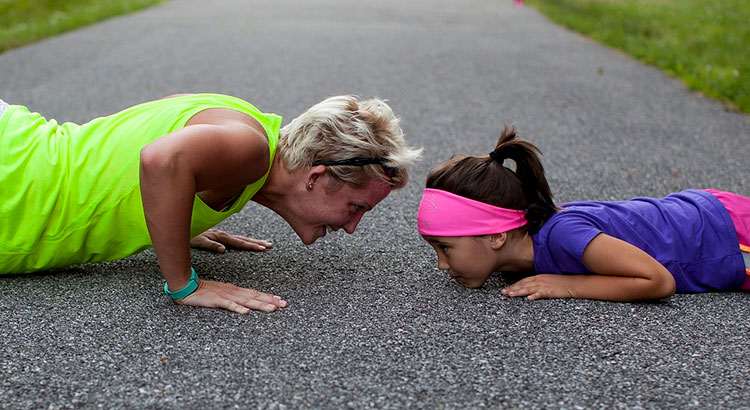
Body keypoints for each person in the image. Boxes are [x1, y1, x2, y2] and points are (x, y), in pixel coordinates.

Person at [0, 93, 421, 314]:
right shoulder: (250, 148)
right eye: (356, 207)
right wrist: (185, 284)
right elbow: (160, 159)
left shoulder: (249, 134)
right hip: (13, 183)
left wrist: (174, 217)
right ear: (317, 177)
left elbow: (138, 152)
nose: (352, 227)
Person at [417, 126, 750, 302]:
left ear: (496, 235)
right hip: (710, 214)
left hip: (727, 234)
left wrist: (569, 286)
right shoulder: (519, 255)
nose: (441, 265)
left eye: (445, 248)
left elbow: (658, 281)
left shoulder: (563, 235)